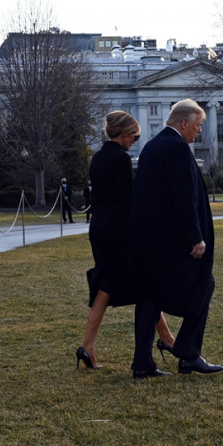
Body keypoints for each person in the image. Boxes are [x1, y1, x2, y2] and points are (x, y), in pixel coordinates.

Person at [129, 99, 223, 378]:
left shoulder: (151, 147)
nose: (199, 132)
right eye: (197, 125)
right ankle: (188, 353)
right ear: (183, 123)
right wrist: (195, 237)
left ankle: (143, 364)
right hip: (171, 243)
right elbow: (183, 198)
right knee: (204, 284)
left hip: (148, 242)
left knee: (149, 297)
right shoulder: (177, 148)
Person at [77, 111, 176, 369]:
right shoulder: (121, 160)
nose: (136, 140)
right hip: (118, 232)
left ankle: (167, 339)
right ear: (123, 134)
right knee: (124, 285)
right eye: (135, 135)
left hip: (99, 228)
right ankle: (166, 340)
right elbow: (127, 201)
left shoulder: (98, 157)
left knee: (112, 286)